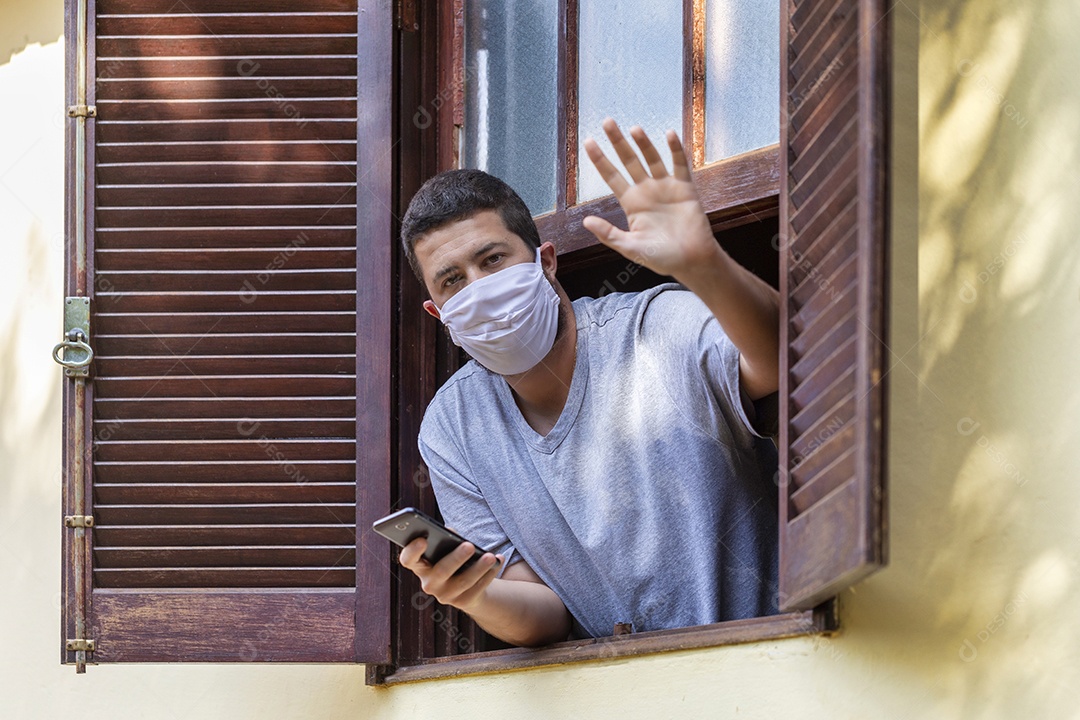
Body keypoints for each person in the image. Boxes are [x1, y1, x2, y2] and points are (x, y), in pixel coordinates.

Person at [397, 118, 782, 647]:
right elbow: (544, 617)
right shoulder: (451, 428)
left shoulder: (655, 327)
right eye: (453, 280)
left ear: (545, 262)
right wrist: (472, 596)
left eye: (493, 260)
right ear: (438, 314)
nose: (480, 288)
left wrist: (705, 265)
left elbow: (783, 358)